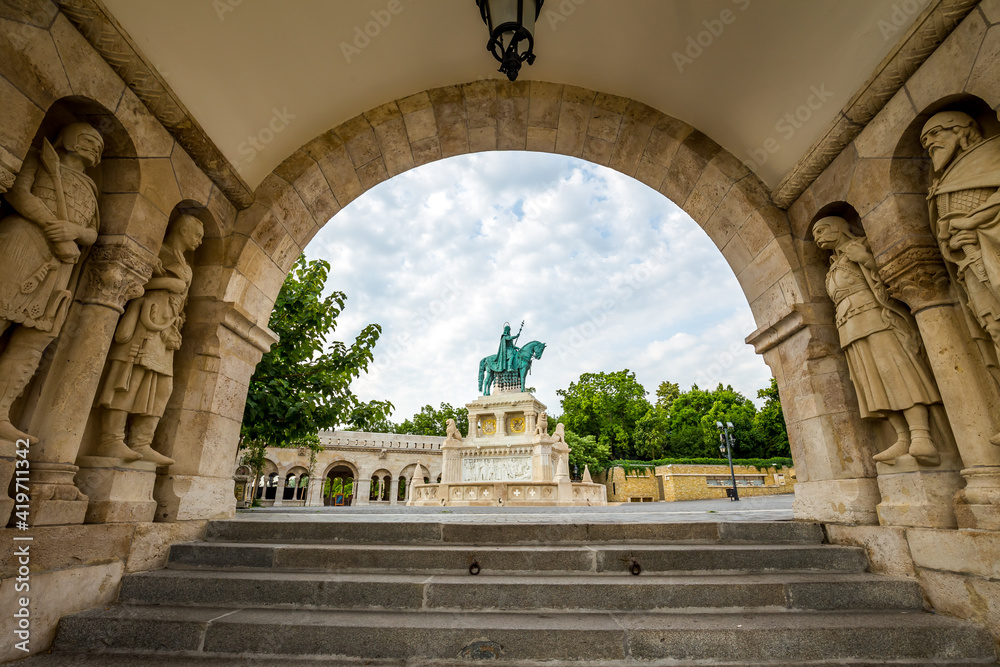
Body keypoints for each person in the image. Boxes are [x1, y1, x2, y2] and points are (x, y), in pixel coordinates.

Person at [0, 122, 104, 443]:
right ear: (68, 138)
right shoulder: (40, 159)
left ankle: (1, 411)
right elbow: (18, 192)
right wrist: (52, 227)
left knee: (34, 340)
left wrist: (74, 233)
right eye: (88, 140)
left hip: (60, 265)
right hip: (23, 244)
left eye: (99, 146)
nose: (94, 148)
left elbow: (92, 231)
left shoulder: (91, 188)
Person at [813, 215, 942, 465]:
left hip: (875, 318)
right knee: (870, 382)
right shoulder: (832, 266)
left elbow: (884, 278)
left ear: (839, 228)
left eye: (822, 230)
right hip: (848, 327)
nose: (818, 237)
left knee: (897, 372)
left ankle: (921, 434)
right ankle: (902, 437)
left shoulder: (859, 246)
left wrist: (866, 259)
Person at [94, 215, 204, 465]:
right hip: (147, 320)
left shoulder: (184, 263)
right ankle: (110, 439)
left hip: (167, 329)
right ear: (183, 229)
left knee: (162, 387)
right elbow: (131, 279)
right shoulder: (158, 251)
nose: (199, 241)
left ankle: (142, 442)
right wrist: (167, 282)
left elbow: (180, 298)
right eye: (197, 235)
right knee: (129, 378)